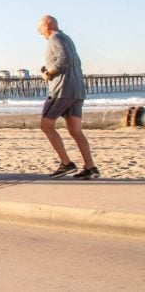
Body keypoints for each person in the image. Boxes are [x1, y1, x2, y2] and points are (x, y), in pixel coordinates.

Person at [37, 15, 98, 179]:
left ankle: (66, 163)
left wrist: (48, 72)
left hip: (61, 91)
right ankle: (90, 166)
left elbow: (65, 59)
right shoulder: (67, 38)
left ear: (47, 25)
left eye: (39, 28)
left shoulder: (55, 38)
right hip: (77, 90)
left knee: (46, 125)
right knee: (75, 131)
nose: (39, 32)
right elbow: (74, 60)